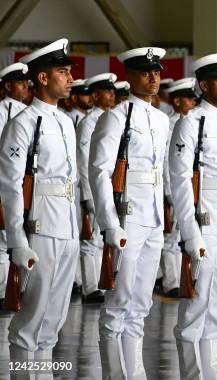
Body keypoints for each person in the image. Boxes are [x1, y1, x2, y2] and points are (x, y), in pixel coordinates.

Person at [89, 46, 169, 378]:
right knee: (118, 304)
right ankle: (114, 374)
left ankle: (134, 372)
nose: (154, 77)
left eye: (157, 72)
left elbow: (160, 171)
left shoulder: (161, 119)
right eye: (146, 72)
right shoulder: (116, 117)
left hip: (152, 219)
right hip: (127, 217)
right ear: (130, 76)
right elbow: (99, 172)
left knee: (140, 304)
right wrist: (109, 223)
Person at [0, 38, 78, 374]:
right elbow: (10, 186)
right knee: (31, 318)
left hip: (68, 225)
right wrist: (16, 240)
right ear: (43, 78)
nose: (71, 78)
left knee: (54, 319)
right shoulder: (23, 124)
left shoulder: (65, 122)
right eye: (63, 71)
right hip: (40, 226)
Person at [170, 52, 217, 380]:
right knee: (195, 310)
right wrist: (190, 233)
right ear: (203, 84)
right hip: (205, 221)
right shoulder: (190, 122)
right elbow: (180, 180)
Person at [76, 72, 117, 304]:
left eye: (112, 91)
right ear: (94, 94)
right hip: (92, 190)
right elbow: (84, 162)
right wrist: (89, 196)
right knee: (91, 241)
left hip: (110, 188)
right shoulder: (88, 123)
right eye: (106, 90)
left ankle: (102, 283)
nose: (112, 94)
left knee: (105, 239)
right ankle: (90, 288)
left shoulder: (113, 118)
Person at [159, 77, 198, 297]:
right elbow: (166, 161)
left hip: (191, 186)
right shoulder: (168, 123)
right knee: (172, 237)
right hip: (174, 188)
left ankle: (189, 278)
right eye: (188, 98)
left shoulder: (194, 123)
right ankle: (171, 282)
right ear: (176, 101)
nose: (193, 102)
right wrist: (168, 191)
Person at [0, 62, 29, 305]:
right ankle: (2, 292)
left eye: (25, 83)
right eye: (19, 82)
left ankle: (18, 289)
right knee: (3, 240)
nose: (24, 87)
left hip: (23, 183)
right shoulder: (2, 112)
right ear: (8, 85)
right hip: (5, 182)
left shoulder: (28, 111)